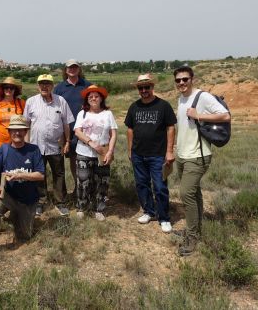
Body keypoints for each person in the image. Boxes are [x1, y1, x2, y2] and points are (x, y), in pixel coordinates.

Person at [174, 65, 230, 256]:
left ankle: (191, 238)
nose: (181, 83)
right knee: (194, 193)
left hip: (198, 155)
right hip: (183, 154)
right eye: (178, 80)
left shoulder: (203, 97)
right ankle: (195, 230)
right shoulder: (181, 99)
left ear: (192, 79)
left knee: (186, 194)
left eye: (185, 79)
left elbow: (225, 115)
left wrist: (199, 115)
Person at [0, 115, 45, 262]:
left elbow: (40, 175)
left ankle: (15, 215)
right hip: (8, 195)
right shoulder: (4, 150)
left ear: (26, 132)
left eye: (20, 130)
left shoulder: (34, 150)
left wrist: (22, 175)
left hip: (28, 199)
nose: (17, 133)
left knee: (25, 236)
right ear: (9, 132)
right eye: (14, 130)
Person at [124, 74, 177, 233]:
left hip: (158, 155)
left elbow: (171, 128)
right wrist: (130, 150)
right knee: (142, 184)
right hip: (138, 154)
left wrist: (169, 151)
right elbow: (130, 129)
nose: (144, 90)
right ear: (138, 89)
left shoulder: (163, 105)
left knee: (160, 187)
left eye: (147, 87)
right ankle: (149, 211)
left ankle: (164, 218)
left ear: (152, 87)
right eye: (141, 88)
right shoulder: (134, 107)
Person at [23, 74, 74, 216]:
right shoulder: (31, 102)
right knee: (39, 175)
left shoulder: (61, 101)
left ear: (52, 85)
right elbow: (26, 124)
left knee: (59, 174)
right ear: (38, 86)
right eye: (41, 84)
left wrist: (67, 142)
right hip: (36, 146)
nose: (44, 86)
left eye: (47, 83)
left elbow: (66, 124)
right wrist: (26, 144)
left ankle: (60, 202)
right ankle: (40, 201)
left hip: (55, 146)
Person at [73, 85, 117, 221]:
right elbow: (77, 131)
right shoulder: (82, 113)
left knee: (102, 182)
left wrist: (110, 151)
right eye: (90, 96)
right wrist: (91, 142)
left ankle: (99, 209)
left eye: (96, 96)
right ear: (87, 99)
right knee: (83, 181)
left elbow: (113, 134)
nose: (93, 98)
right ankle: (82, 207)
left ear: (101, 98)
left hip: (102, 153)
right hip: (83, 152)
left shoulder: (108, 114)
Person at [54, 59, 91, 197]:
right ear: (65, 70)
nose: (72, 69)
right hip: (67, 131)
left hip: (86, 130)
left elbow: (96, 102)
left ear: (79, 69)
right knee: (73, 160)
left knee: (87, 160)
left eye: (75, 67)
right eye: (70, 67)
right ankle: (77, 187)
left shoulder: (87, 86)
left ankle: (87, 189)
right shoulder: (59, 88)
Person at [0, 77, 26, 148]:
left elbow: (25, 121)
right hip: (1, 141)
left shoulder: (21, 103)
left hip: (17, 139)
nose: (9, 90)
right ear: (3, 89)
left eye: (11, 88)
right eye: (6, 87)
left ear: (15, 90)